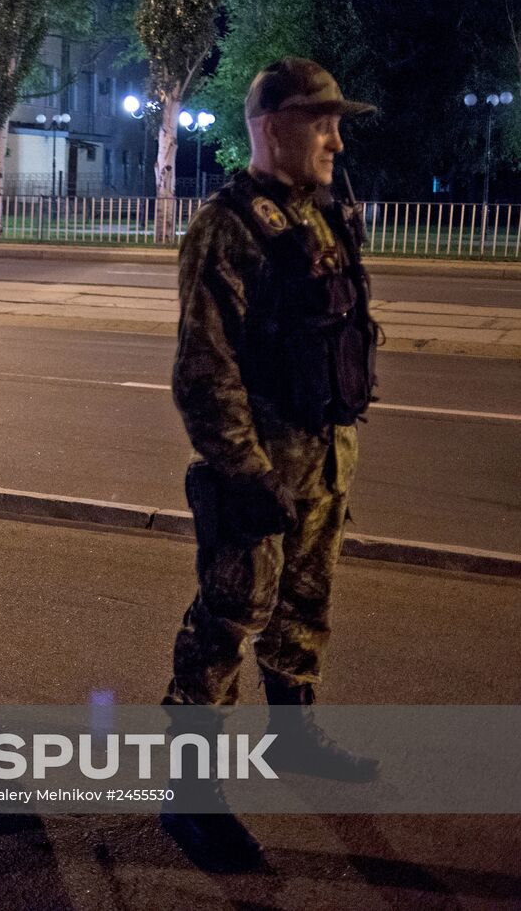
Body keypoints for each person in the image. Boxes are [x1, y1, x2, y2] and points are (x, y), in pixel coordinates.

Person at [159, 58, 383, 870]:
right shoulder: (229, 226)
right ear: (269, 125)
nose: (335, 135)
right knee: (223, 627)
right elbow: (202, 370)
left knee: (304, 610)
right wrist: (247, 476)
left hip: (324, 460)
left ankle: (293, 739)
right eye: (319, 119)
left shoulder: (318, 215)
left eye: (337, 120)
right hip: (257, 471)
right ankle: (188, 797)